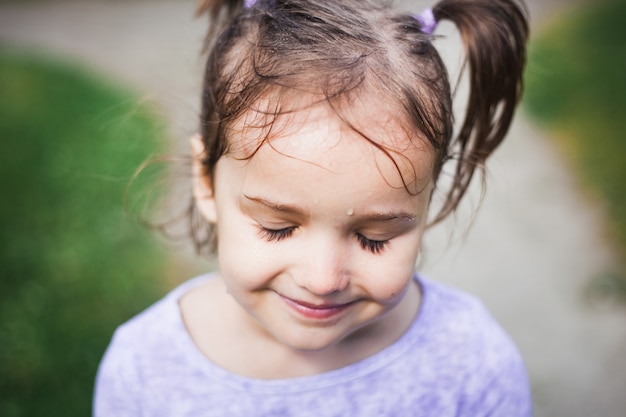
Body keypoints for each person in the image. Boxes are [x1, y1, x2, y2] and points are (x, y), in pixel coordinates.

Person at [94, 0, 531, 415]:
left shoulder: (472, 363)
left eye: (373, 238)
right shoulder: (144, 370)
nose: (323, 280)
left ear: (426, 198)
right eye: (277, 228)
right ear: (205, 182)